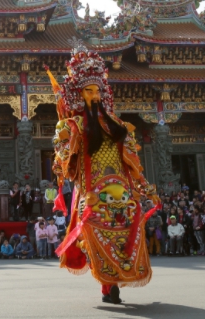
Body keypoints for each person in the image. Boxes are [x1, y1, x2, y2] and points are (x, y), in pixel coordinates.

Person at [50, 45, 159, 305]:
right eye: (89, 91)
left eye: (98, 90)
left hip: (122, 191)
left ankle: (113, 283)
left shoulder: (118, 126)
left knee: (124, 236)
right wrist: (64, 143)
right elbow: (62, 164)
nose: (95, 95)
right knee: (96, 234)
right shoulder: (72, 125)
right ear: (78, 94)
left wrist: (146, 189)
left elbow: (132, 163)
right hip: (92, 192)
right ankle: (107, 285)